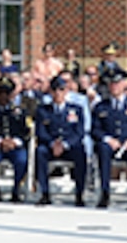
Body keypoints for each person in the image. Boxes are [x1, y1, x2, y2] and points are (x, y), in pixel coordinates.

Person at [92, 67, 127, 210]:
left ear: (124, 85)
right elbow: (95, 129)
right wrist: (107, 139)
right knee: (103, 151)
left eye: (117, 83)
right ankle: (105, 193)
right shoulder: (101, 106)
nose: (114, 87)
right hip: (109, 143)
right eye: (111, 84)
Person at [35, 74, 88, 206]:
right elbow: (40, 131)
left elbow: (79, 132)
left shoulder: (76, 109)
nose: (58, 93)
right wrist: (52, 143)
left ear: (66, 91)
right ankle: (44, 193)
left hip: (69, 146)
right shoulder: (43, 110)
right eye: (55, 90)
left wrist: (65, 144)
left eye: (61, 90)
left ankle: (79, 194)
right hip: (50, 145)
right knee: (40, 152)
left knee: (81, 153)